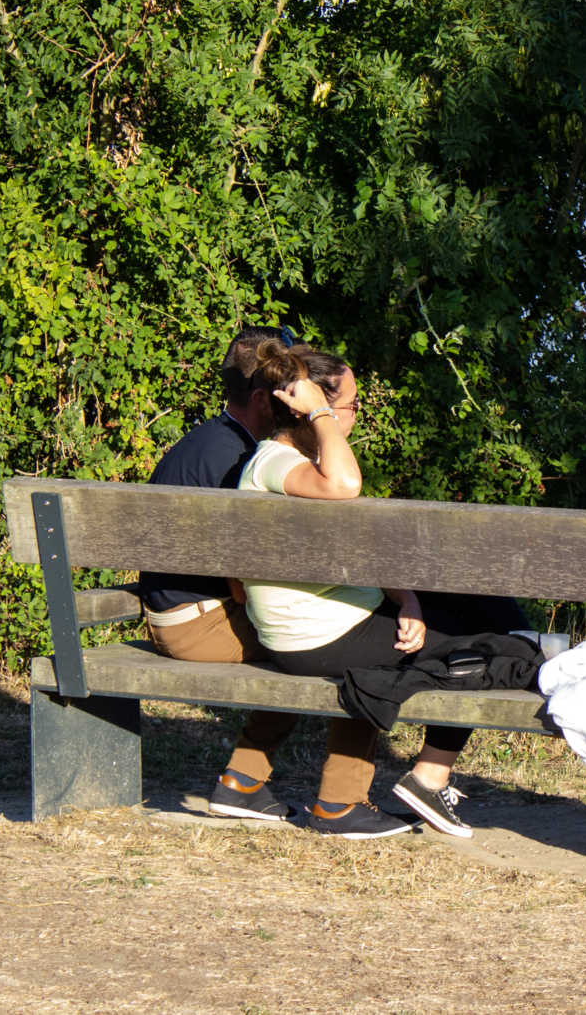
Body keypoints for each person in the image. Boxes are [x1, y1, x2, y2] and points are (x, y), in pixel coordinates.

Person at [236, 341, 533, 841]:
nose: (352, 417)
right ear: (309, 408)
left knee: (489, 610)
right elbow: (348, 484)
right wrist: (323, 413)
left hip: (344, 613)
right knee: (486, 649)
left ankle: (535, 660)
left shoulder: (302, 469)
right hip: (314, 638)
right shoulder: (275, 465)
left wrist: (409, 599)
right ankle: (428, 779)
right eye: (349, 405)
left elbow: (363, 548)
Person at [138, 327, 379, 826]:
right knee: (340, 640)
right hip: (201, 624)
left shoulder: (209, 441)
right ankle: (342, 799)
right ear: (259, 397)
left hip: (175, 614)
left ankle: (242, 784)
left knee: (305, 634)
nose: (293, 399)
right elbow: (240, 579)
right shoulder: (240, 460)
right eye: (284, 388)